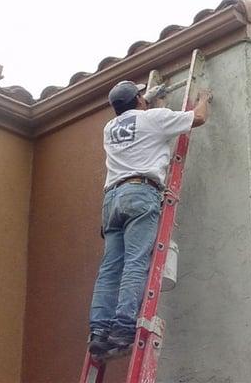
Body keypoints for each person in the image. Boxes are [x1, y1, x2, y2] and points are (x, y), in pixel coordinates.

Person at [88, 80, 212, 357]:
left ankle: (99, 331)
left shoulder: (109, 129)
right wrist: (204, 97)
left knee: (109, 269)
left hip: (112, 199)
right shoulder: (153, 118)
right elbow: (199, 117)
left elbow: (138, 122)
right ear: (139, 100)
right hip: (140, 193)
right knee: (135, 262)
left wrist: (151, 100)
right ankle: (122, 327)